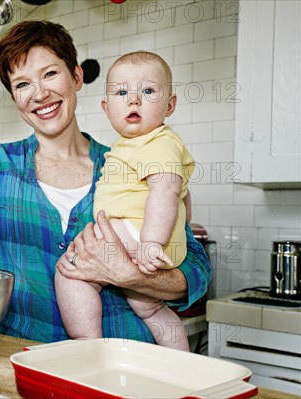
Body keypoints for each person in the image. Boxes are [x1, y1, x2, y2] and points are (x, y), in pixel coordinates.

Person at [0, 21, 211, 344]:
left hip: (125, 366)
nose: (39, 93)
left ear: (76, 76)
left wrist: (131, 276)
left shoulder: (132, 164)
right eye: (22, 84)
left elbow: (195, 270)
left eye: (50, 74)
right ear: (15, 97)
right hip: (23, 361)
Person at [55, 51, 194, 351]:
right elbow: (183, 196)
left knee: (70, 271)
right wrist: (176, 233)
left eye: (148, 90)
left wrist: (151, 242)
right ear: (106, 108)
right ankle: (183, 363)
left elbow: (166, 191)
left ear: (170, 105)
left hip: (139, 235)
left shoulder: (156, 141)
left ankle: (88, 344)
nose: (134, 100)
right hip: (151, 239)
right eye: (122, 92)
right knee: (152, 309)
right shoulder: (141, 146)